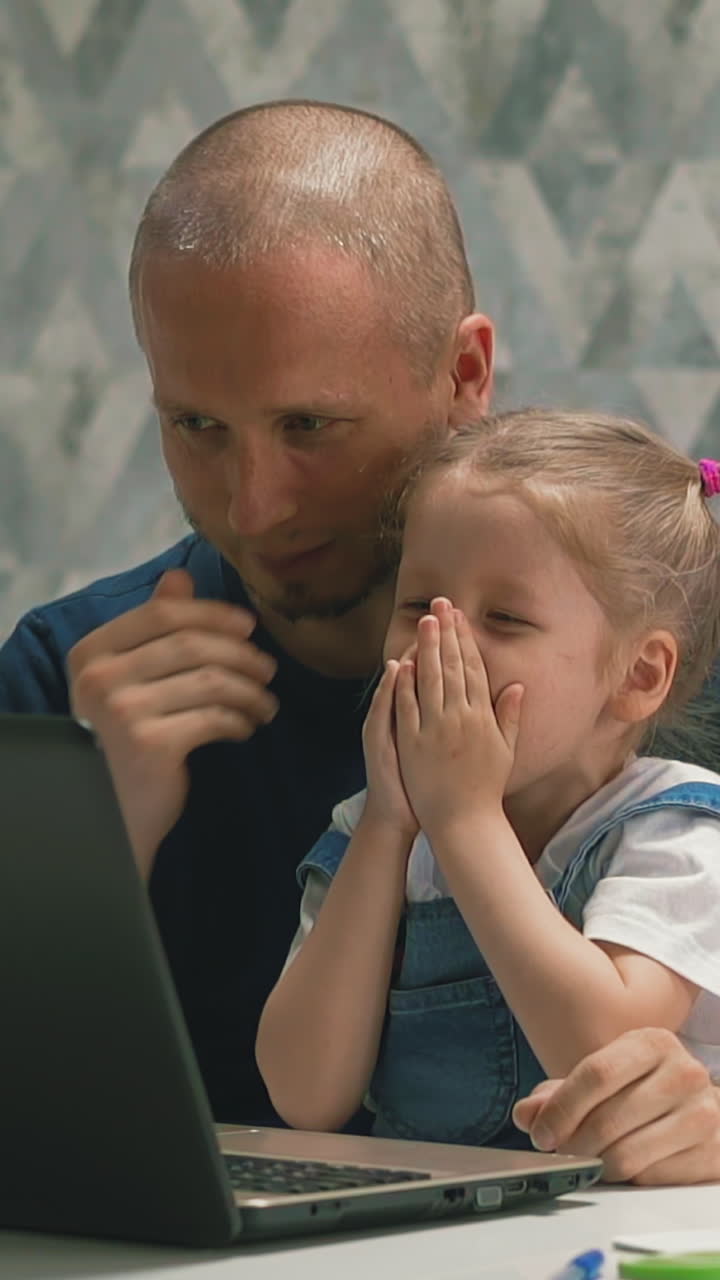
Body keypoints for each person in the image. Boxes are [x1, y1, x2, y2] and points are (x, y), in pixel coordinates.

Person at [0, 101, 718, 1183]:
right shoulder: (66, 679)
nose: (253, 508)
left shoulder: (671, 646)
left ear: (465, 374)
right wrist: (92, 862)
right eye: (196, 426)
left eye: (309, 426)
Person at [258, 410, 720, 1160]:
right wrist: (386, 826)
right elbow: (305, 1093)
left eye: (504, 618)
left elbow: (606, 1050)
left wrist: (468, 822)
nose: (443, 645)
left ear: (638, 676)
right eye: (417, 608)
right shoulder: (373, 833)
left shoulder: (673, 831)